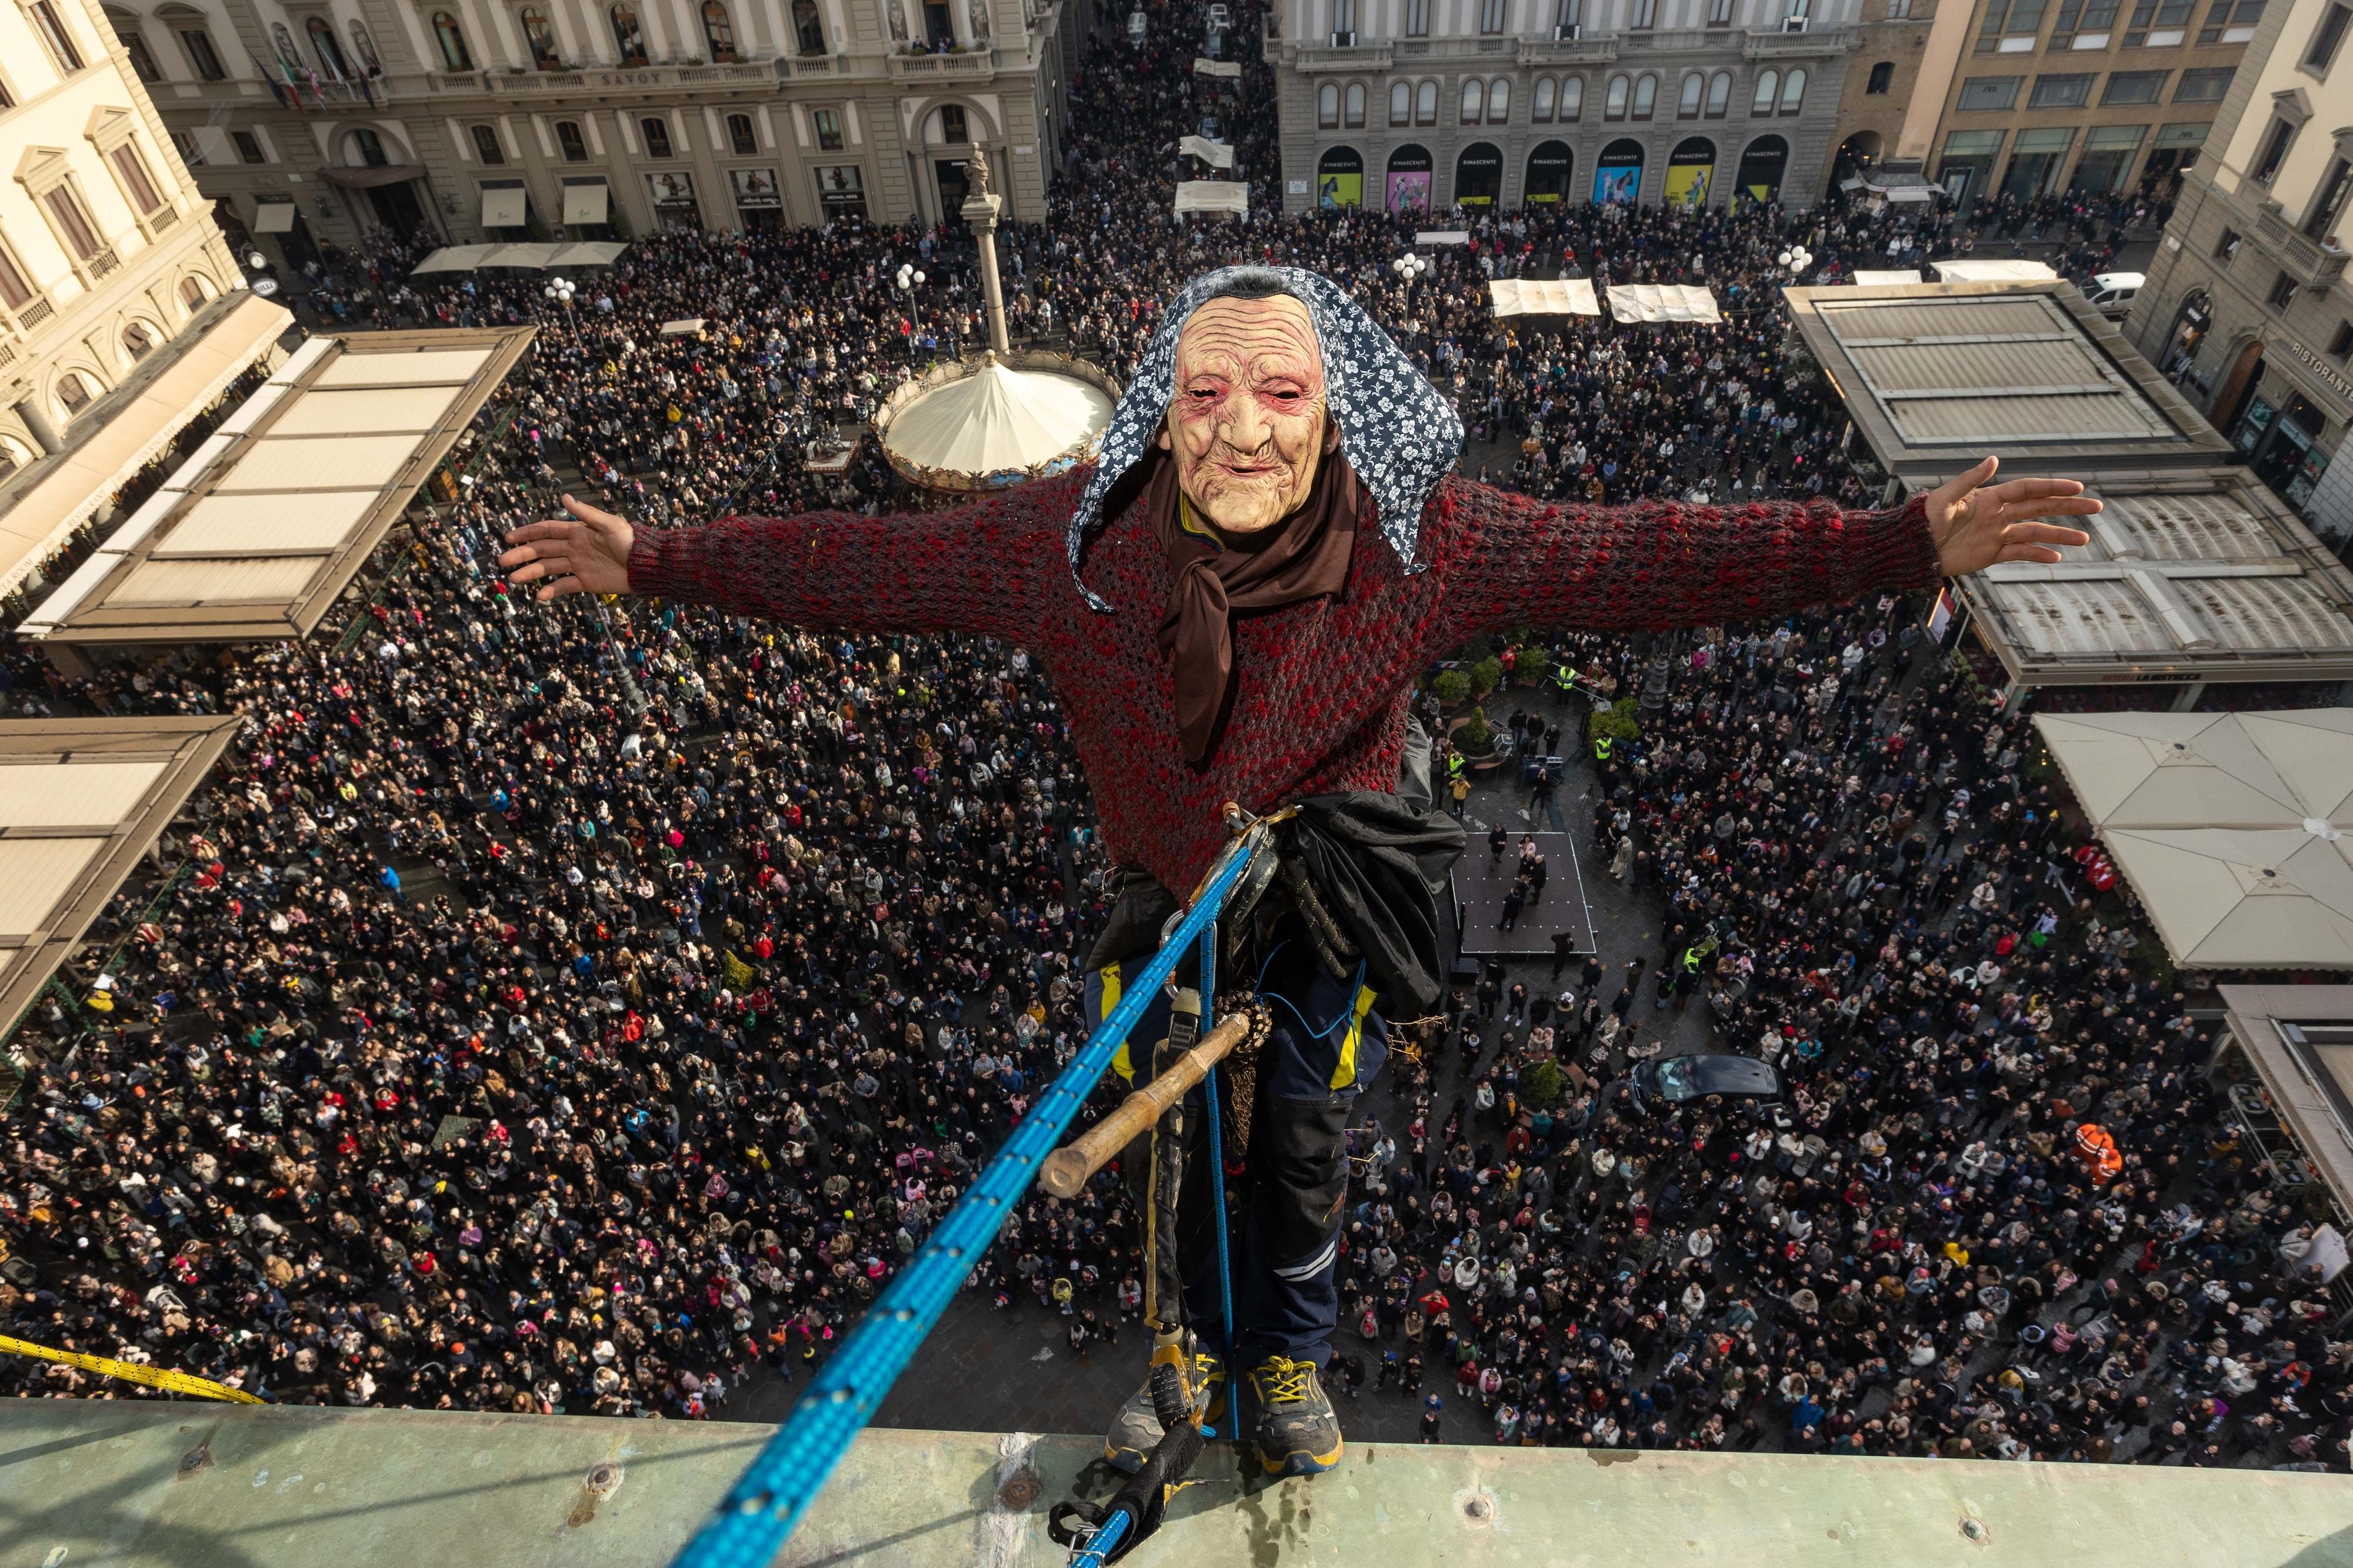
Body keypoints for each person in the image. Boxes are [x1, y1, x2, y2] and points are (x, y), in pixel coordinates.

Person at [495, 266, 2094, 1483]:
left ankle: (1285, 1365)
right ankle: (1193, 1343)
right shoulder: (1061, 552)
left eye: (1280, 391)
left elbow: (1642, 557)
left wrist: (1890, 545)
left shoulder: (1424, 549)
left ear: (1336, 412)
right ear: (1158, 410)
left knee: (1308, 1140)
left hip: (1329, 896)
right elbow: (853, 568)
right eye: (1206, 393)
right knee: (1181, 1145)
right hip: (1165, 905)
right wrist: (658, 559)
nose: (1243, 425)